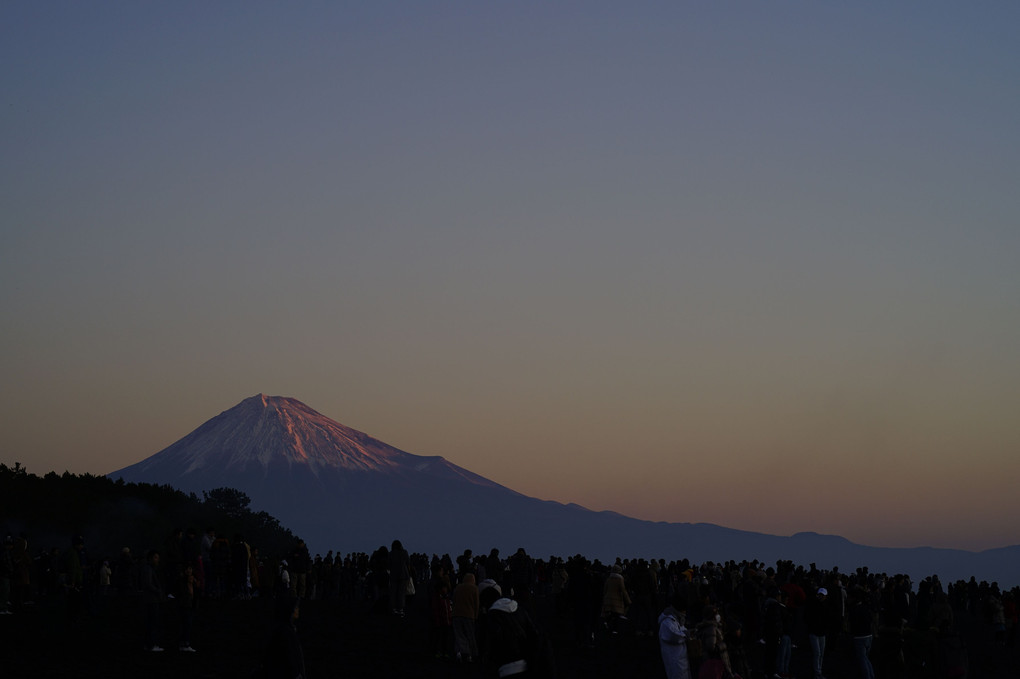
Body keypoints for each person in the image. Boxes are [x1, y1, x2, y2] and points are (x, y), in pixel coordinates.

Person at [265, 595, 305, 679]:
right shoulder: (286, 632)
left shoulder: (283, 630)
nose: (298, 609)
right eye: (296, 607)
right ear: (290, 610)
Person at [658, 594, 691, 679]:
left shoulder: (675, 619)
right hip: (674, 658)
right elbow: (674, 636)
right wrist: (686, 634)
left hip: (680, 658)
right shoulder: (667, 621)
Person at [452, 572, 479, 662]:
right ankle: (471, 654)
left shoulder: (458, 587)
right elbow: (476, 604)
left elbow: (454, 600)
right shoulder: (474, 588)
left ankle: (460, 653)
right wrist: (476, 615)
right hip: (469, 615)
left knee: (459, 635)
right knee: (470, 635)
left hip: (456, 614)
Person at [140, 550, 165, 651]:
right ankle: (151, 644)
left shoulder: (147, 568)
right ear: (150, 558)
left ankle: (148, 644)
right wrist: (158, 591)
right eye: (155, 557)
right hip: (152, 600)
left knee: (150, 623)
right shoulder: (149, 569)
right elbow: (148, 584)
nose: (157, 559)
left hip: (149, 599)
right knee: (152, 622)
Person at [805, 587, 829, 679]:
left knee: (820, 653)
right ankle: (817, 672)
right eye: (820, 595)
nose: (821, 597)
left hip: (820, 632)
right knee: (818, 653)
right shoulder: (815, 605)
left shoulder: (823, 606)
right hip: (815, 632)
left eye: (822, 595)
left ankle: (818, 671)